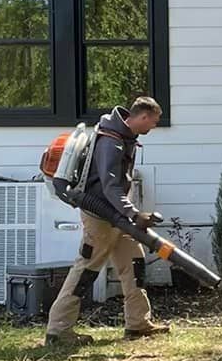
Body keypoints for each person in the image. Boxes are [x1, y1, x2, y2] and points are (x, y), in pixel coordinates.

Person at [45, 96, 169, 347]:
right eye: (154, 122)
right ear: (142, 117)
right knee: (85, 273)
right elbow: (110, 186)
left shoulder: (123, 136)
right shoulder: (110, 143)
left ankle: (138, 324)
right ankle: (58, 331)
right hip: (100, 218)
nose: (154, 127)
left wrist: (128, 215)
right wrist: (134, 214)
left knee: (134, 265)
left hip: (117, 217)